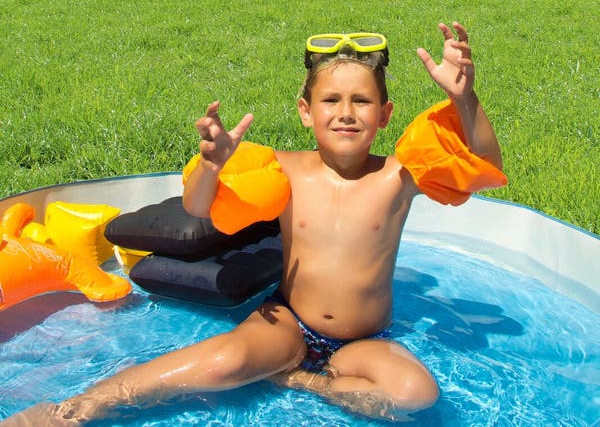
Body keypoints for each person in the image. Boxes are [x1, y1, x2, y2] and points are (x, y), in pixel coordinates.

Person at [4, 21, 505, 425]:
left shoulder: (399, 175)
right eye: (331, 101)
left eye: (362, 101)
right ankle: (79, 408)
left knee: (414, 395)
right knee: (222, 361)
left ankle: (300, 381)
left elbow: (482, 170)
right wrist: (212, 165)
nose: (346, 113)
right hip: (290, 322)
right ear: (306, 112)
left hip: (364, 341)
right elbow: (201, 208)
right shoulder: (285, 168)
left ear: (386, 113)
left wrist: (465, 98)